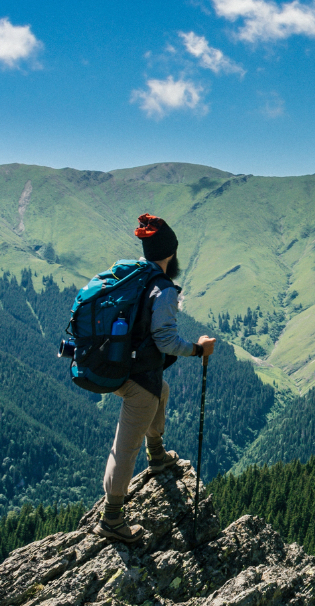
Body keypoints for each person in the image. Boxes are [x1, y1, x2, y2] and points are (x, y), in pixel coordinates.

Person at [95, 213, 217, 542]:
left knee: (160, 391)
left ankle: (158, 455)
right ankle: (112, 519)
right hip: (136, 377)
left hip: (114, 363)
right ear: (170, 254)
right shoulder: (161, 289)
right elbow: (165, 341)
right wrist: (198, 349)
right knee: (125, 446)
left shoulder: (133, 273)